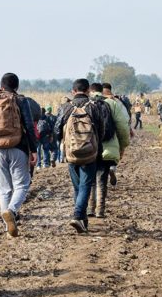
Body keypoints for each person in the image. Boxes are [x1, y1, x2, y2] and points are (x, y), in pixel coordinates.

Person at [0, 73, 38, 237]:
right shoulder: (21, 100)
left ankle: (7, 227)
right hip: (18, 147)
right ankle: (11, 210)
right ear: (16, 87)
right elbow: (29, 127)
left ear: (1, 86)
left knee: (4, 189)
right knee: (22, 184)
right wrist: (34, 150)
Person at [55, 78, 104, 234]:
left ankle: (82, 219)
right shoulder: (94, 107)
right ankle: (78, 216)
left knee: (77, 187)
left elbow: (57, 130)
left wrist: (64, 142)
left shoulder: (66, 108)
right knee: (85, 186)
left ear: (73, 91)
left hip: (71, 153)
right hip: (90, 153)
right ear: (88, 90)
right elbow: (102, 130)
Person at [88, 83, 130, 218]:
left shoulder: (87, 104)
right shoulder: (113, 104)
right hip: (108, 148)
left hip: (89, 147)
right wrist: (123, 145)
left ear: (91, 91)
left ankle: (90, 208)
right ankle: (100, 210)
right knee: (102, 179)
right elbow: (123, 127)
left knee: (91, 179)